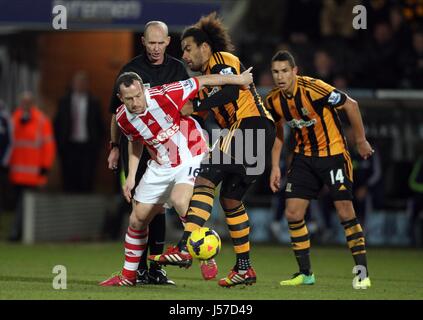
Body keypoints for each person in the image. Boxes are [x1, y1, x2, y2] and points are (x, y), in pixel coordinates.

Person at [148, 12, 275, 288]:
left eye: (188, 48)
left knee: (205, 178)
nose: (184, 55)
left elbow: (230, 92)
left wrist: (194, 106)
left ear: (205, 48)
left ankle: (184, 247)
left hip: (250, 126)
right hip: (254, 134)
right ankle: (244, 268)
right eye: (182, 50)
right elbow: (207, 116)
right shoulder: (206, 84)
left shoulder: (223, 61)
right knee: (230, 200)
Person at [99, 68, 254, 286]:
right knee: (137, 219)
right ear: (120, 99)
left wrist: (239, 79)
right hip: (162, 164)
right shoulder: (123, 118)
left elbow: (203, 80)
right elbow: (136, 142)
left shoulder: (166, 94)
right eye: (128, 99)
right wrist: (131, 176)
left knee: (182, 201)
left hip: (192, 152)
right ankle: (128, 276)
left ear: (144, 90)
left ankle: (205, 255)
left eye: (137, 96)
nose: (135, 103)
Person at [266, 50, 373, 288]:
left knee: (345, 213)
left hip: (333, 155)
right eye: (275, 72)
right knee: (292, 213)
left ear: (294, 71)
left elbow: (351, 105)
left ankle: (362, 274)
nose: (280, 76)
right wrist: (275, 166)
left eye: (285, 71)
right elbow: (278, 132)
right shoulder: (273, 100)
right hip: (304, 158)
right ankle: (305, 274)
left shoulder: (314, 89)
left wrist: (360, 141)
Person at [107, 21, 198, 285]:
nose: (156, 48)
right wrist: (114, 147)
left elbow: (189, 104)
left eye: (161, 43)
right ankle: (139, 270)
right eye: (151, 43)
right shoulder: (130, 71)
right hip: (138, 145)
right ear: (143, 42)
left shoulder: (176, 69)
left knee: (158, 209)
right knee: (140, 209)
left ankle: (156, 268)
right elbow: (116, 114)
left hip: (169, 146)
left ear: (168, 42)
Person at [8, 91, 56, 241]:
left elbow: (49, 147)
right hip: (15, 173)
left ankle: (16, 234)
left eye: (28, 102)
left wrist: (44, 168)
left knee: (24, 205)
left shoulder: (41, 121)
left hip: (33, 174)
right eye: (23, 102)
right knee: (18, 205)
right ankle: (19, 233)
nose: (25, 105)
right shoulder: (13, 119)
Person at [54, 71, 105, 193]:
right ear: (72, 84)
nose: (80, 85)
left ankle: (84, 203)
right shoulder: (64, 101)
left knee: (86, 176)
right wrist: (59, 142)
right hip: (68, 144)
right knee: (69, 175)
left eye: (83, 82)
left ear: (87, 85)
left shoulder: (94, 102)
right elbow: (58, 123)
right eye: (77, 82)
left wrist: (98, 143)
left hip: (88, 144)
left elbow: (100, 125)